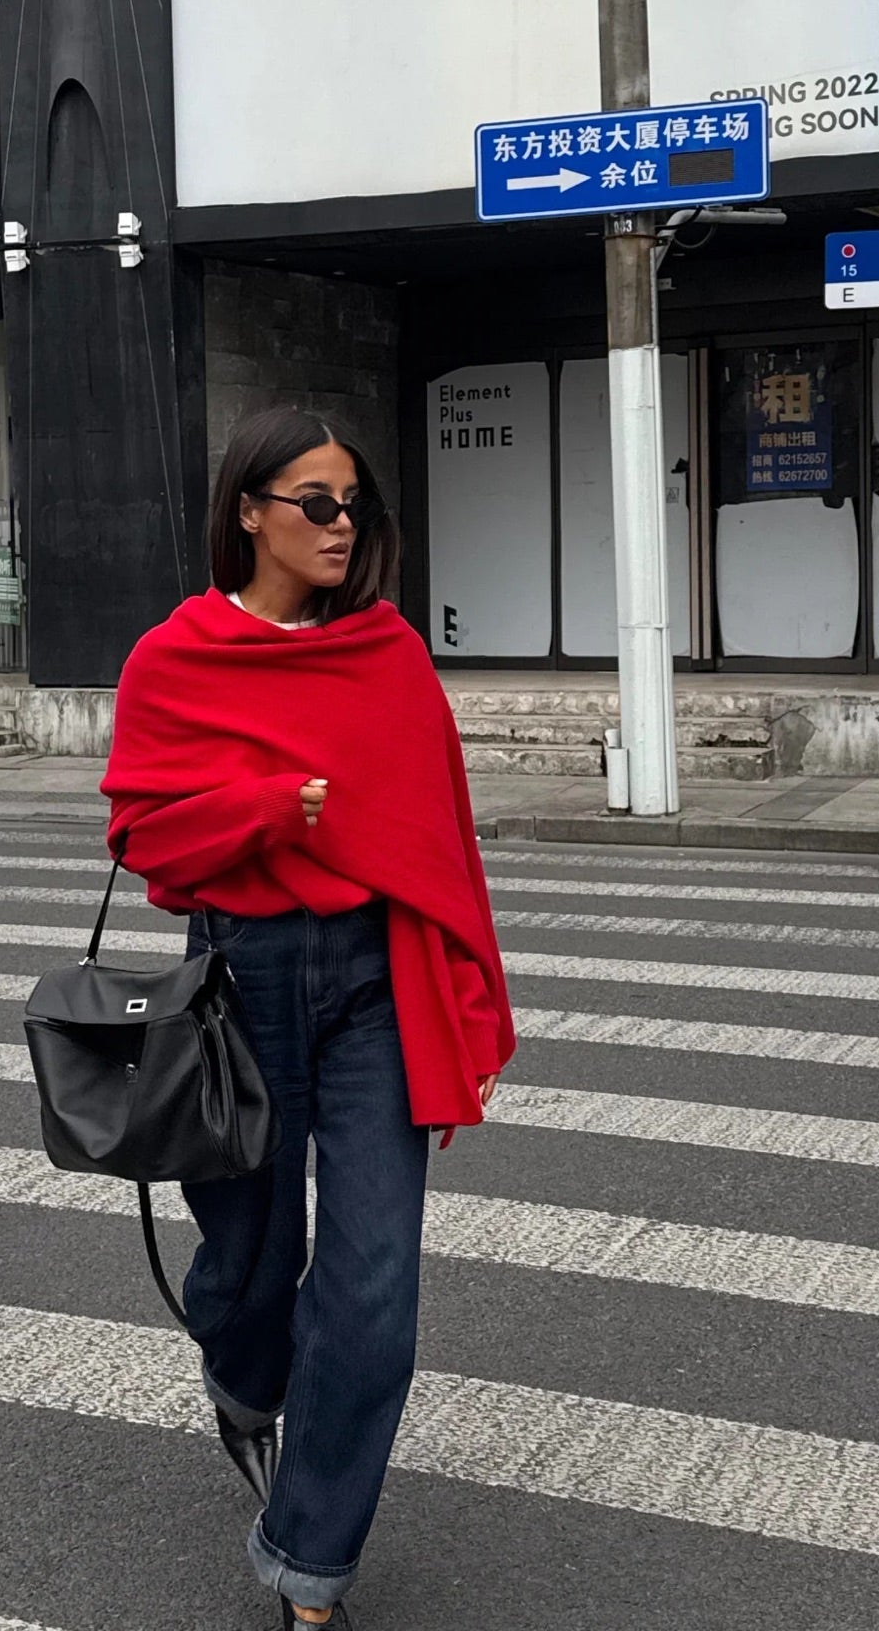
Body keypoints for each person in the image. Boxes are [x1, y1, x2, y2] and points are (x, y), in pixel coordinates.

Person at [102, 407, 514, 1628]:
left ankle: (309, 1560)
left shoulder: (387, 653)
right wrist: (272, 807)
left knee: (373, 1290)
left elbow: (438, 837)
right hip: (245, 975)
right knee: (250, 1260)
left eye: (353, 505)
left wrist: (464, 989)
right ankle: (243, 1378)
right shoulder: (174, 657)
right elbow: (144, 835)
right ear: (249, 511)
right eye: (316, 503)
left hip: (380, 979)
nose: (341, 525)